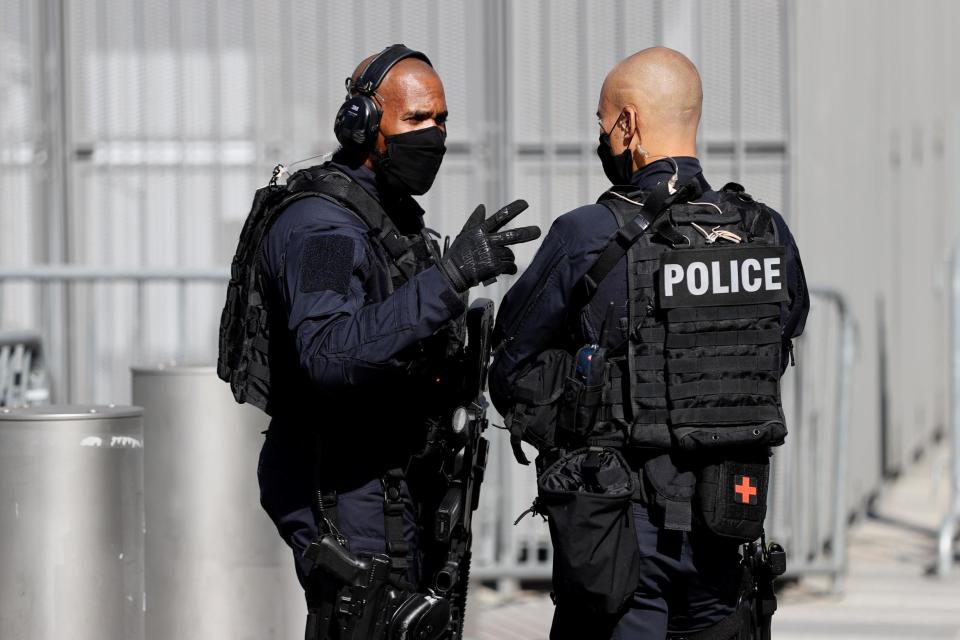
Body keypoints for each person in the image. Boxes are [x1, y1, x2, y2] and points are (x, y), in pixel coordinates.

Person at [489, 47, 809, 640]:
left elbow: (511, 365)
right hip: (729, 517)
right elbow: (780, 336)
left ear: (628, 124)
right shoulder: (765, 231)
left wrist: (587, 394)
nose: (602, 138)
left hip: (619, 528)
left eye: (603, 124)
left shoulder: (589, 234)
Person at [241, 44, 540, 637]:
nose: (434, 135)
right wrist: (449, 279)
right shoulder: (321, 228)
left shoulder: (392, 217)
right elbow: (329, 353)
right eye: (415, 120)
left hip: (398, 482)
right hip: (346, 488)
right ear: (363, 124)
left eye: (442, 119)